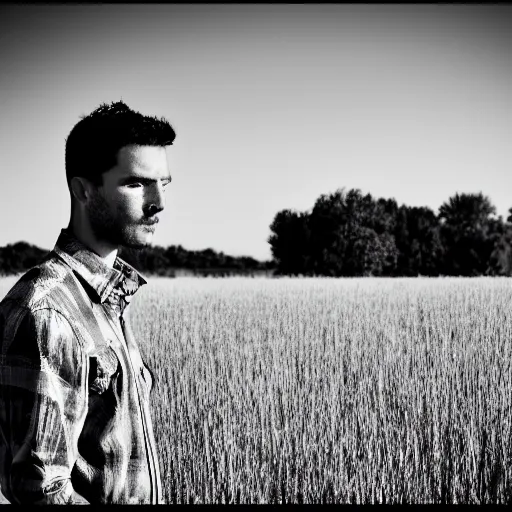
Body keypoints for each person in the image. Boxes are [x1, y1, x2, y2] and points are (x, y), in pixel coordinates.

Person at [0, 101, 176, 504]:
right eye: (135, 183)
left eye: (164, 183)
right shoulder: (46, 312)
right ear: (82, 189)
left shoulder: (104, 298)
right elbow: (41, 490)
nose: (158, 202)